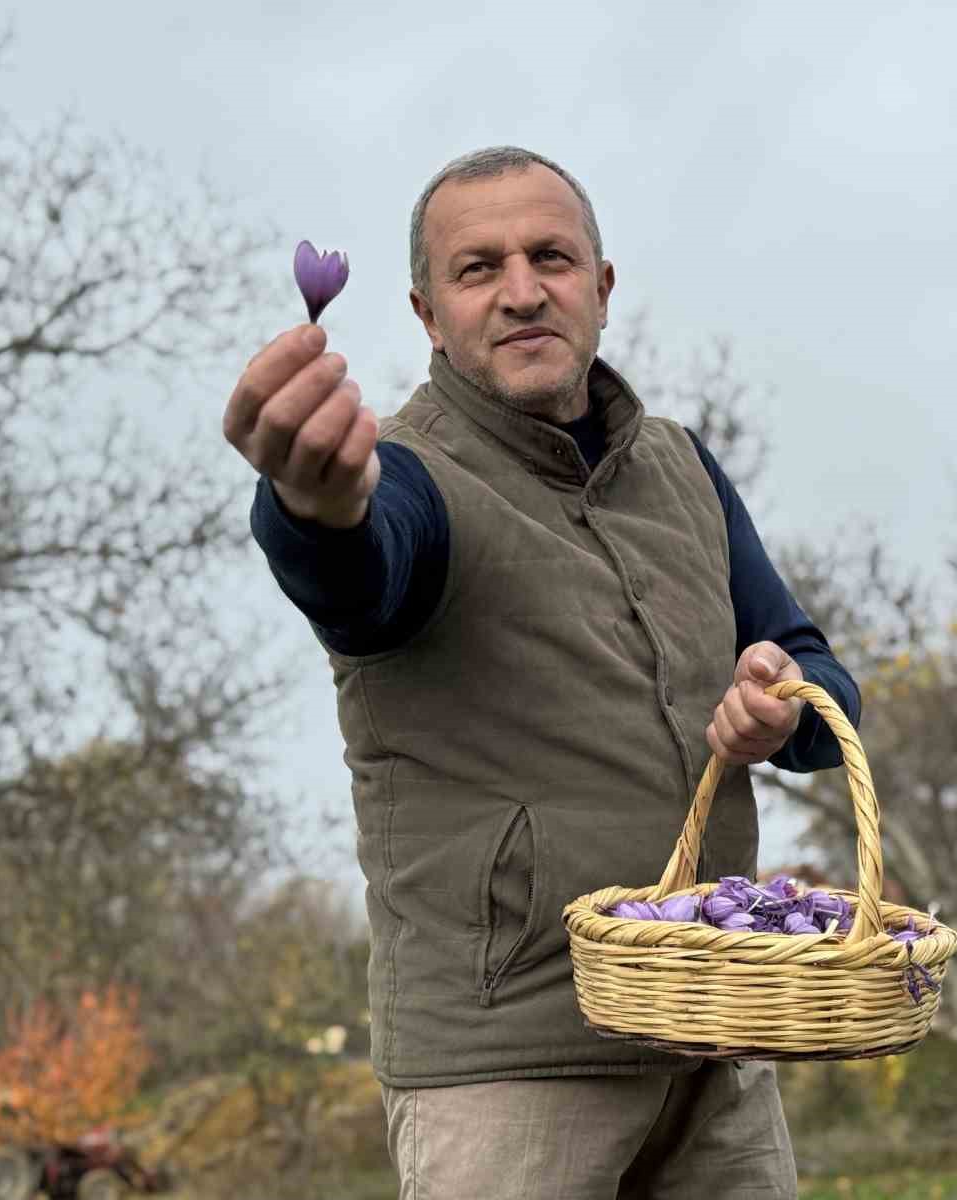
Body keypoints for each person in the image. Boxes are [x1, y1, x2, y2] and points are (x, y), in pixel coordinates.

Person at [223, 146, 860, 1199]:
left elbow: (818, 674)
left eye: (550, 257)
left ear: (601, 290)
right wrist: (310, 504)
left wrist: (780, 700)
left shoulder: (684, 467)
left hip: (713, 1046)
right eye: (477, 270)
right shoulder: (412, 476)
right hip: (505, 1070)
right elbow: (356, 573)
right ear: (429, 316)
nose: (521, 291)